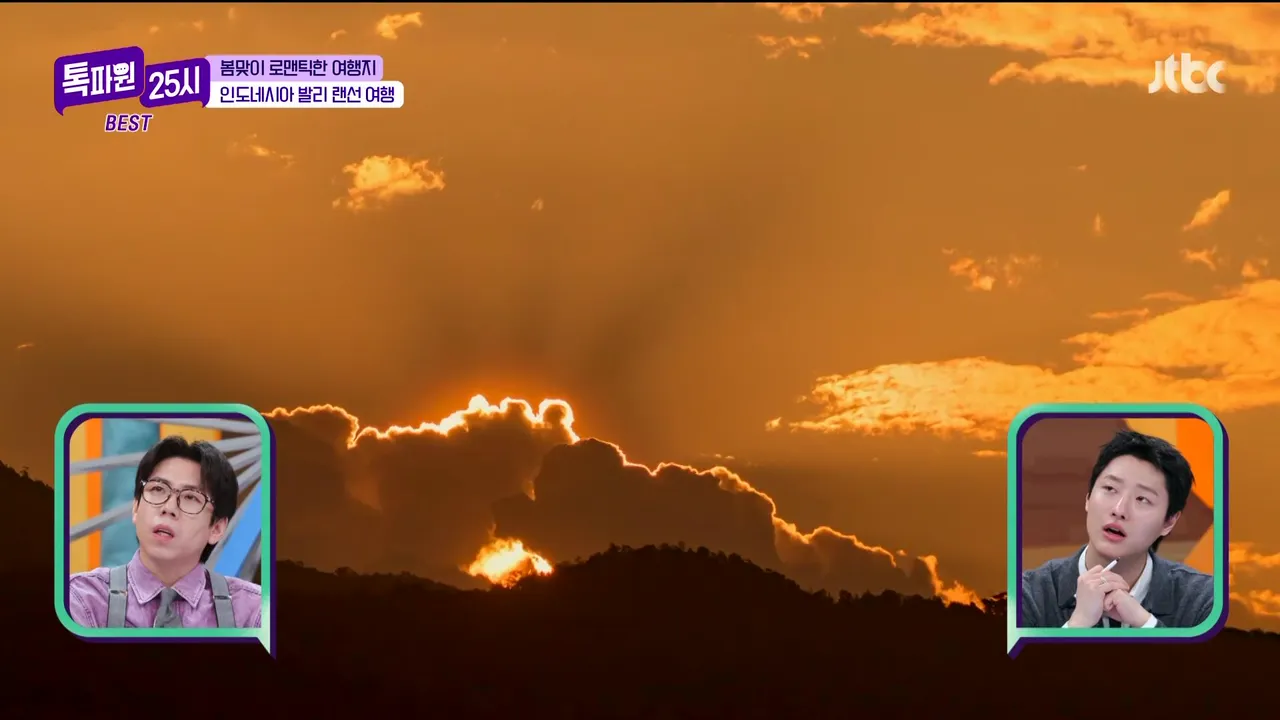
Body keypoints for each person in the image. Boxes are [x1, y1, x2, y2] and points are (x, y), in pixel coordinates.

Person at [1020, 429, 1214, 629]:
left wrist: (1146, 624)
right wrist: (1077, 625)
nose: (1119, 510)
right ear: (1088, 497)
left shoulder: (1205, 600)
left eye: (1142, 499)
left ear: (1169, 522)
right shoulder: (1028, 595)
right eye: (1110, 489)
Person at [67, 436, 262, 629]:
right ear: (136, 508)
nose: (168, 508)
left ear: (217, 528)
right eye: (158, 489)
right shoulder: (80, 599)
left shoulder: (253, 611)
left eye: (190, 497)